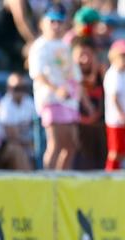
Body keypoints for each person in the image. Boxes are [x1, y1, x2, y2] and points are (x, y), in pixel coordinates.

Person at [28, 4, 81, 170]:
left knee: (71, 145)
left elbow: (74, 74)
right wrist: (56, 90)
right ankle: (48, 179)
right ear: (42, 23)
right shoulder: (39, 46)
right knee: (55, 143)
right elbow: (38, 74)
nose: (56, 26)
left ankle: (61, 178)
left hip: (69, 101)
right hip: (50, 100)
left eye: (59, 21)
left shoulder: (65, 46)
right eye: (52, 21)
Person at [103, 39, 125, 170]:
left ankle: (117, 172)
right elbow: (114, 98)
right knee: (115, 151)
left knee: (123, 151)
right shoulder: (113, 74)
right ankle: (110, 173)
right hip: (116, 120)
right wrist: (123, 116)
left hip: (124, 118)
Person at [72, 37, 106, 170]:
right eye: (80, 55)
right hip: (78, 135)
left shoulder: (102, 75)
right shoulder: (67, 78)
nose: (85, 60)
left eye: (88, 55)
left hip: (98, 135)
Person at [0, 73, 36, 167]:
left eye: (23, 88)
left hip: (27, 143)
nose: (20, 91)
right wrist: (30, 143)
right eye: (16, 88)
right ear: (9, 88)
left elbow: (37, 125)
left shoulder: (29, 102)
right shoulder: (5, 104)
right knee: (17, 150)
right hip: (4, 147)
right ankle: (29, 180)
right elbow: (12, 136)